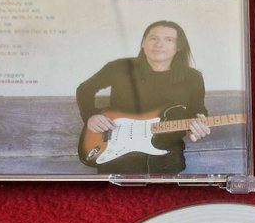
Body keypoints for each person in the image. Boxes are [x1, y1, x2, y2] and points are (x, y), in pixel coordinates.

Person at [75, 21, 210, 174]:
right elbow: (84, 90)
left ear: (178, 47)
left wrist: (196, 127)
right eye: (153, 38)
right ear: (143, 43)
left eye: (168, 39)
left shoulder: (192, 77)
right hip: (117, 153)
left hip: (167, 155)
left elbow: (196, 110)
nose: (159, 44)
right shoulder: (119, 68)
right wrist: (91, 115)